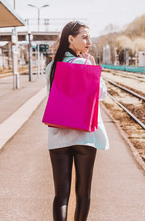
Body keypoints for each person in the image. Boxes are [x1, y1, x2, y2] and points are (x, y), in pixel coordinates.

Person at [45, 21, 109, 221]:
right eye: (84, 37)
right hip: (84, 136)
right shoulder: (84, 63)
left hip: (58, 137)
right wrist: (90, 65)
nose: (89, 41)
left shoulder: (51, 67)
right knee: (83, 194)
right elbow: (102, 93)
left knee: (61, 195)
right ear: (70, 39)